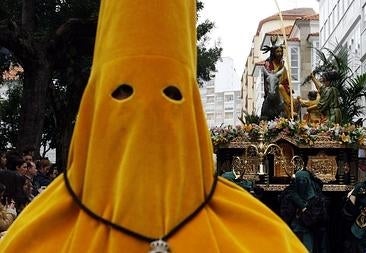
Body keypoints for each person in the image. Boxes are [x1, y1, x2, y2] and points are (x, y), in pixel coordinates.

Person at [0, 1, 307, 252]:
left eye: (171, 93)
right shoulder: (36, 238)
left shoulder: (259, 239)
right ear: (94, 105)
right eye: (122, 91)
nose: (146, 110)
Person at [262, 36, 293, 119]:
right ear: (273, 53)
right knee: (279, 87)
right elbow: (269, 76)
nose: (279, 53)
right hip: (272, 88)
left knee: (281, 87)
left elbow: (286, 80)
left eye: (281, 51)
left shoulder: (283, 66)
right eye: (277, 51)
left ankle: (288, 108)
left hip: (282, 88)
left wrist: (289, 87)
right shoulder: (268, 63)